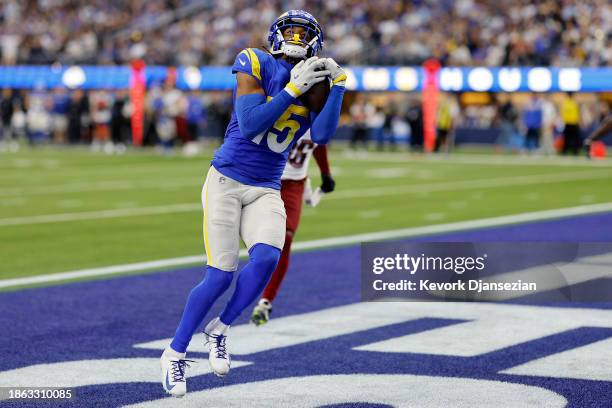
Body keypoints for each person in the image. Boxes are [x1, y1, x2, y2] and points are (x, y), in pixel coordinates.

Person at [159, 10, 346, 398]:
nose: (296, 38)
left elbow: (323, 134)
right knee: (221, 274)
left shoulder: (318, 80)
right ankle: (174, 353)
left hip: (265, 185)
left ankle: (221, 328)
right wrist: (293, 90)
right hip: (226, 180)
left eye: (303, 33)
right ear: (276, 35)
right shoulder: (254, 60)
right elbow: (250, 123)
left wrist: (339, 84)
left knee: (265, 259)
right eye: (290, 31)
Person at [250, 130, 335, 325]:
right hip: (269, 178)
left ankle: (266, 301)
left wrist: (325, 171)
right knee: (261, 241)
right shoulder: (286, 103)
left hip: (295, 184)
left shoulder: (321, 112)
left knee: (285, 239)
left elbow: (319, 139)